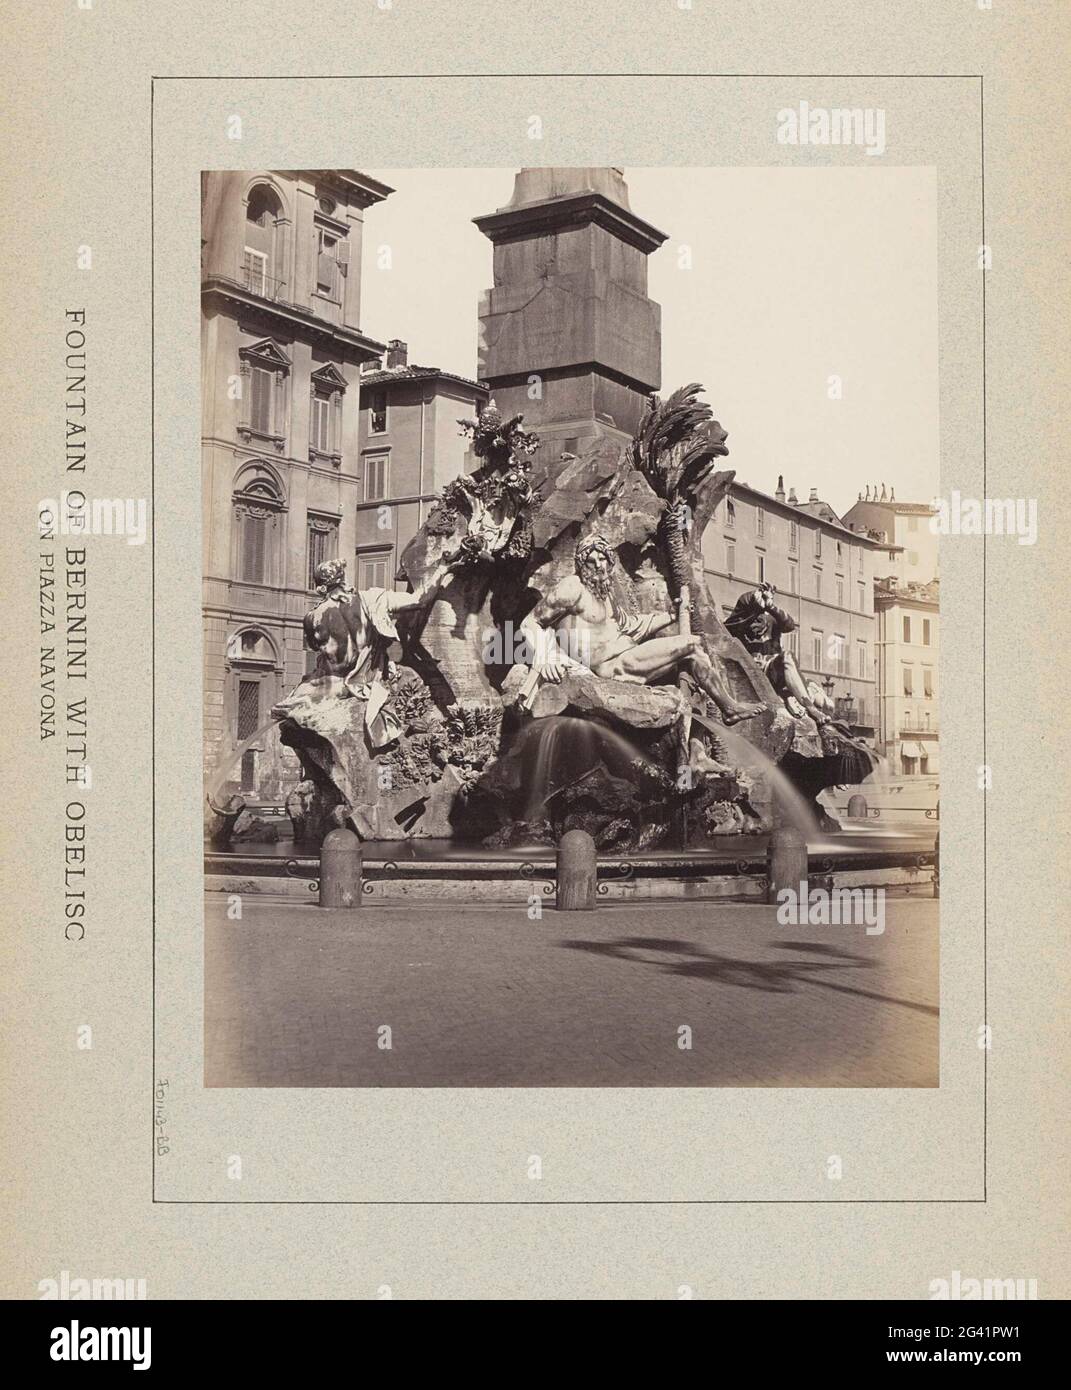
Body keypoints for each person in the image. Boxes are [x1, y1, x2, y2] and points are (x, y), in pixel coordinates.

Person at [519, 533, 764, 768]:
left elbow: (632, 625)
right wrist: (546, 656)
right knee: (692, 645)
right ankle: (728, 709)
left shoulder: (606, 592)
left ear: (609, 560)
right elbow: (530, 622)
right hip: (611, 666)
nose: (597, 565)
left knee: (693, 665)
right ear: (581, 563)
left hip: (629, 656)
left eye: (602, 558)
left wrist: (670, 615)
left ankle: (699, 749)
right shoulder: (571, 587)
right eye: (590, 560)